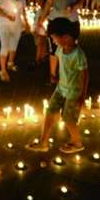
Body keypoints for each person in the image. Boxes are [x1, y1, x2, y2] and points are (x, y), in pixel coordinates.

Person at [26, 18, 88, 154]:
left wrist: (82, 96)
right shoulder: (60, 48)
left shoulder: (78, 55)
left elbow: (84, 75)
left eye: (54, 38)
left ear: (65, 37)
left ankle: (77, 143)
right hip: (61, 88)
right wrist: (54, 75)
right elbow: (58, 61)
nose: (53, 41)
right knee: (50, 111)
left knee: (68, 118)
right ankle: (43, 142)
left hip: (73, 92)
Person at [38, 0, 84, 85]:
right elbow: (49, 2)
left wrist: (73, 6)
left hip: (71, 20)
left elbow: (81, 1)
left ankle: (68, 76)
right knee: (54, 49)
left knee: (70, 50)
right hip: (55, 20)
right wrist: (42, 18)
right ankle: (53, 76)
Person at [0, 0, 29, 82]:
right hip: (5, 25)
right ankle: (3, 70)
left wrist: (26, 22)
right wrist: (7, 16)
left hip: (17, 25)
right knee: (5, 47)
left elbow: (23, 11)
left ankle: (10, 63)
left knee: (13, 46)